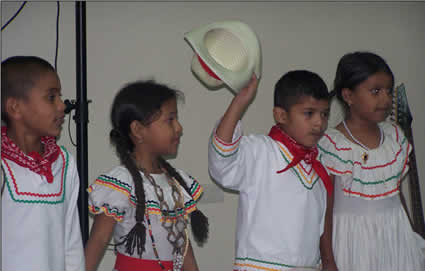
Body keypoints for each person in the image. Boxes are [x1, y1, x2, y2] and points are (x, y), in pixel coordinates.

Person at [208, 71, 333, 270]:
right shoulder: (261, 151)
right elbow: (222, 160)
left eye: (324, 114)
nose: (319, 122)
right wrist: (239, 103)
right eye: (309, 113)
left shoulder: (319, 162)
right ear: (281, 115)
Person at [84, 80, 209, 271]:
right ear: (138, 130)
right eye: (170, 120)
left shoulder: (177, 183)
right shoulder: (122, 184)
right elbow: (98, 241)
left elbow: (182, 243)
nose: (179, 128)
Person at [318, 51, 425, 271]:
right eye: (375, 91)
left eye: (388, 90)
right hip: (353, 239)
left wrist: (412, 234)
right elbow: (324, 209)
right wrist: (328, 260)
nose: (385, 99)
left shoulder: (394, 137)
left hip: (395, 234)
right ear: (348, 96)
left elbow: (395, 193)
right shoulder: (333, 144)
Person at [1, 56, 85, 270]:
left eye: (60, 96)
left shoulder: (64, 163)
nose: (61, 106)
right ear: (15, 108)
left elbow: (71, 240)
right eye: (51, 97)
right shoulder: (3, 165)